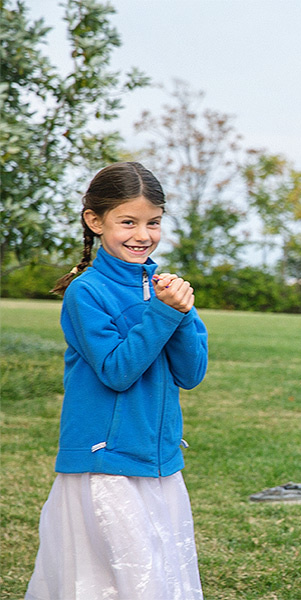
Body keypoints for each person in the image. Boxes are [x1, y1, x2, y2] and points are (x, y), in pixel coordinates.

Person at [26, 162, 208, 600]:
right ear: (95, 221)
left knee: (162, 578)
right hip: (105, 465)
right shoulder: (86, 292)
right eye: (128, 222)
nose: (142, 235)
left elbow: (190, 374)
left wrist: (182, 314)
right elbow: (117, 371)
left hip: (160, 464)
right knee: (114, 583)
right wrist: (164, 313)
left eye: (153, 223)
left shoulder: (165, 288)